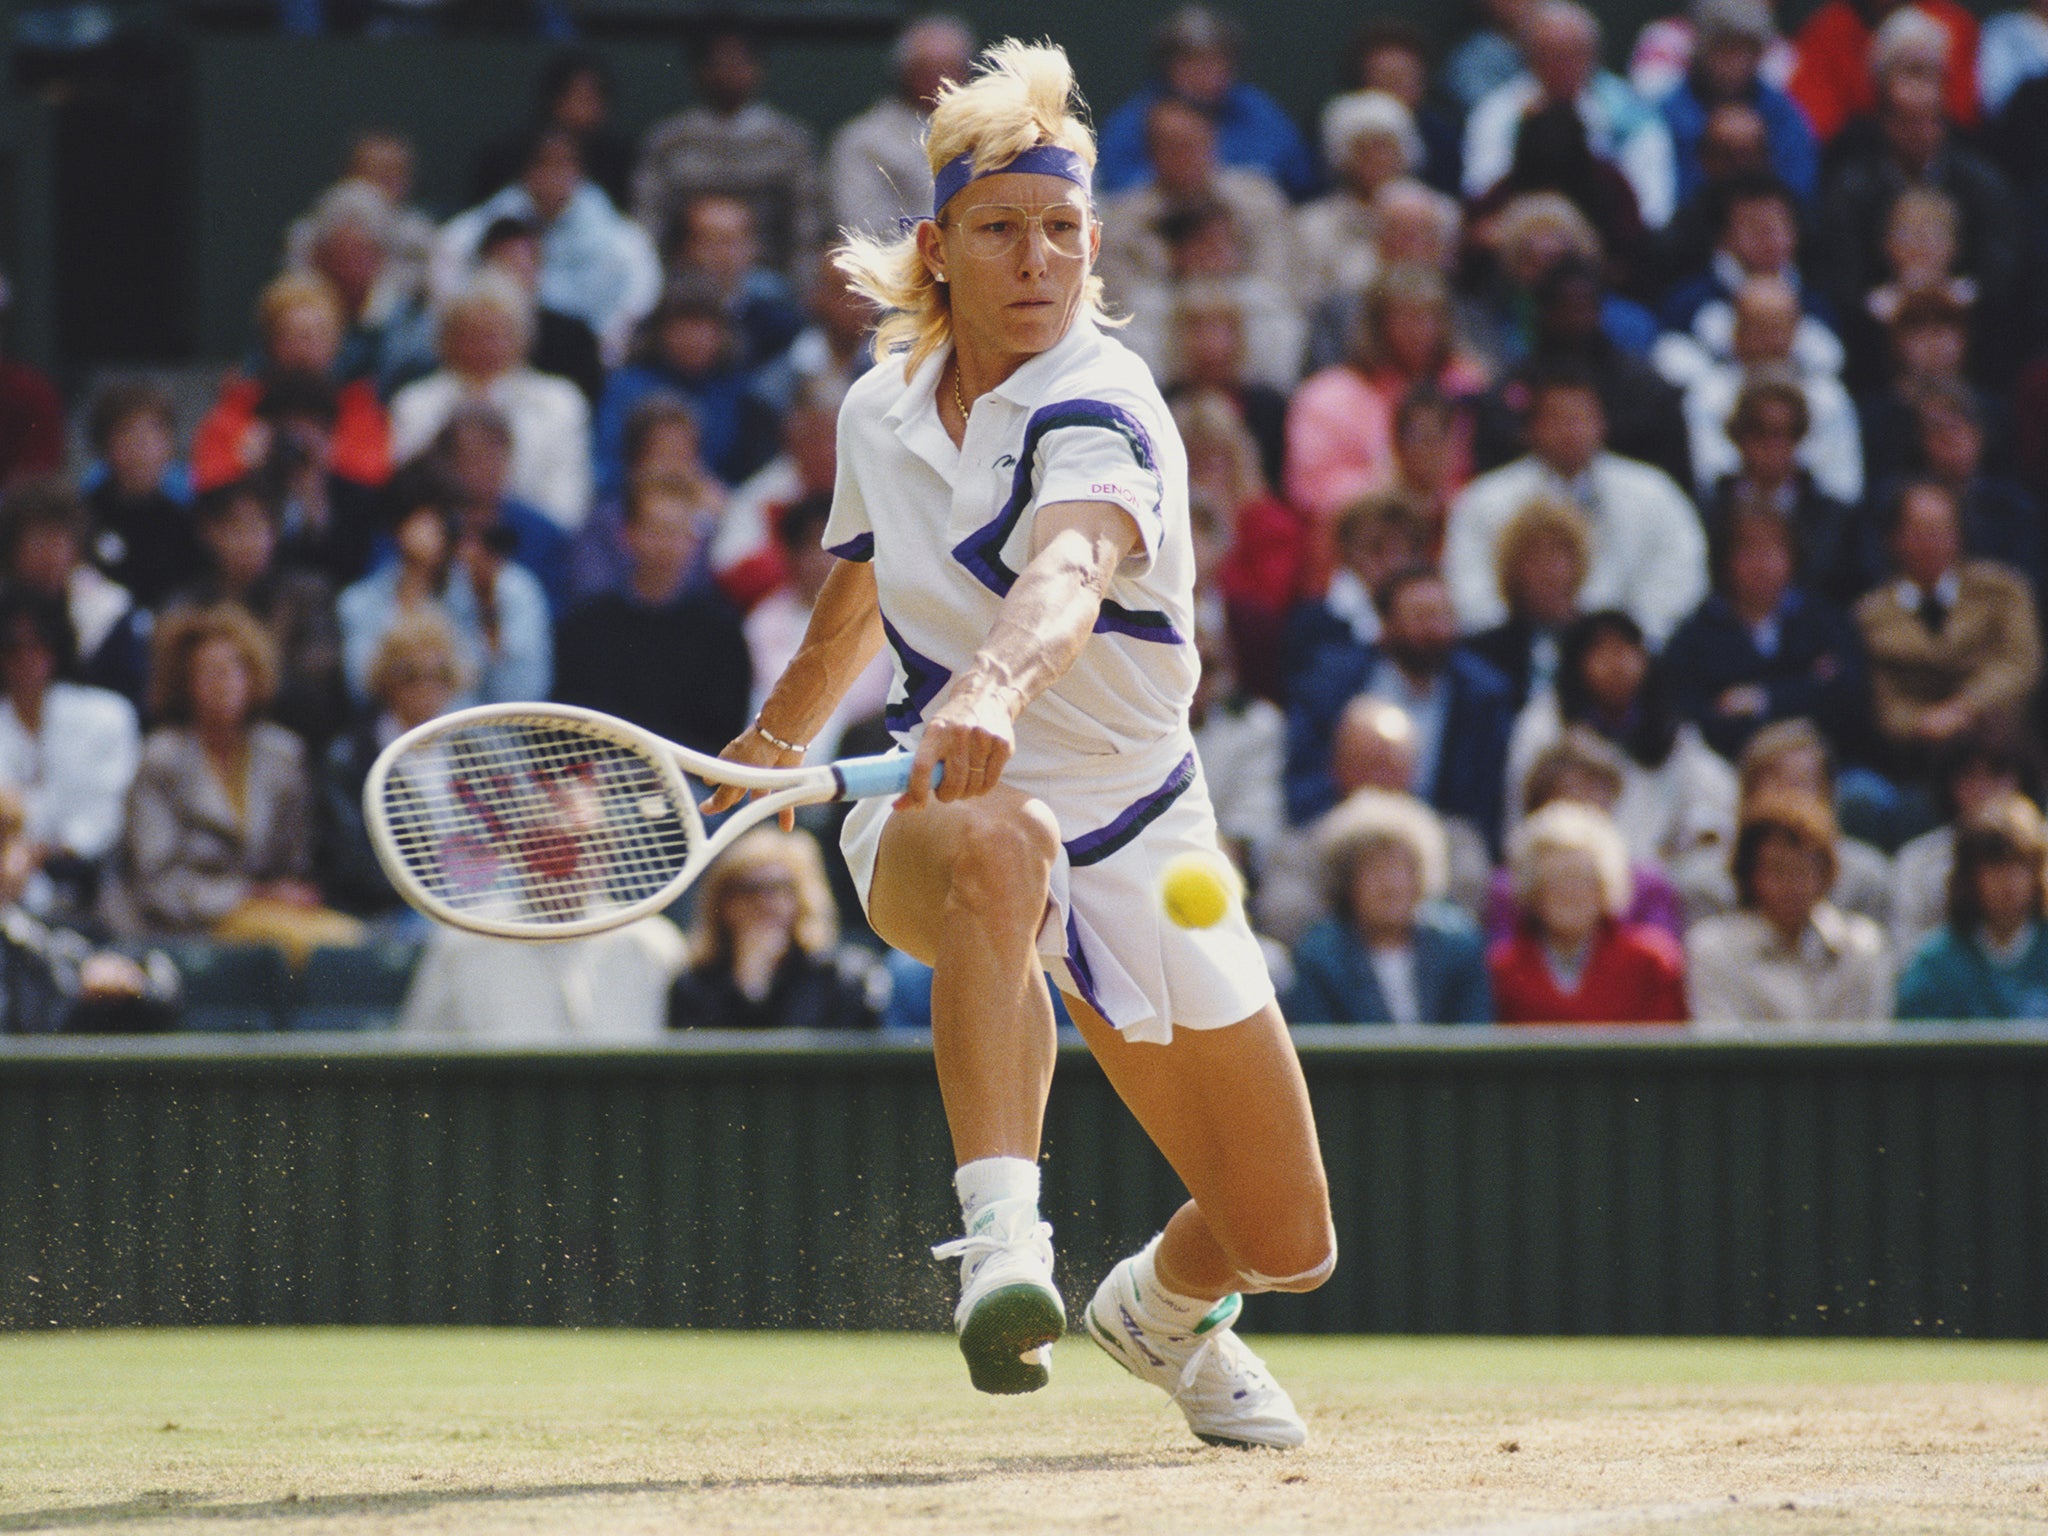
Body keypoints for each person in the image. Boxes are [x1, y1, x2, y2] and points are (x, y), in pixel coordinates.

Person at [714, 41, 1332, 1445]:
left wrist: (993, 685)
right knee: (1009, 840)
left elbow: (1065, 573)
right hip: (943, 821)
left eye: (1062, 231)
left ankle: (1159, 1316)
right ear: (940, 249)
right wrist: (761, 753)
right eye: (1002, 231)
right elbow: (853, 606)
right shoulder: (878, 410)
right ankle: (1004, 1246)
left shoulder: (1110, 403)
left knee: (1286, 1240)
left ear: (1094, 242)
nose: (1037, 261)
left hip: (1147, 828)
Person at [109, 605, 363, 964]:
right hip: (185, 921)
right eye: (210, 672)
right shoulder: (160, 758)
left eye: (235, 669)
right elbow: (156, 882)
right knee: (323, 946)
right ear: (185, 683)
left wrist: (282, 894)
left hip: (269, 915)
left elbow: (294, 861)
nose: (224, 682)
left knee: (352, 942)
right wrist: (251, 895)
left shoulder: (282, 753)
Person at [1445, 363, 1707, 645]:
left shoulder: (1654, 491)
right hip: (1514, 656)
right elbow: (1470, 589)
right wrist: (1515, 642)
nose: (1570, 431)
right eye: (1557, 419)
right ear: (1531, 428)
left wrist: (1629, 640)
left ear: (1602, 423)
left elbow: (1679, 572)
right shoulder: (1484, 499)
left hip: (1629, 656)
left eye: (1580, 418)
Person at [1284, 564, 1517, 846]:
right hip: (1340, 820)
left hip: (1438, 832)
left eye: (1444, 616)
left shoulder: (1483, 695)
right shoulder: (1331, 682)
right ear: (1386, 623)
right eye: (1420, 616)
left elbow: (1482, 800)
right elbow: (1304, 773)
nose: (1435, 629)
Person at [1505, 609, 1740, 875]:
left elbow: (1712, 799)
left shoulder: (1667, 725)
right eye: (1602, 652)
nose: (1617, 664)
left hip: (1653, 871)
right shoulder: (1545, 721)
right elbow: (1519, 807)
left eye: (1626, 650)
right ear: (1577, 661)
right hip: (1564, 869)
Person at [553, 472, 751, 755]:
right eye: (655, 530)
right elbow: (570, 721)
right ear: (628, 535)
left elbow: (724, 735)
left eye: (677, 532)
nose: (666, 546)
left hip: (687, 780)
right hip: (602, 778)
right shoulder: (585, 624)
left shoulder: (722, 632)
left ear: (694, 541)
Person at [1854, 478, 2041, 776]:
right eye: (1918, 532)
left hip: (2007, 753)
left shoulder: (2003, 590)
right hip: (1914, 762)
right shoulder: (1869, 615)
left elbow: (2020, 663)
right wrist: (1922, 723)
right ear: (1894, 539)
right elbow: (1880, 699)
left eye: (1941, 531)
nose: (1930, 543)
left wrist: (1964, 708)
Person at [1662, 494, 1865, 761]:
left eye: (1772, 551)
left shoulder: (1824, 621)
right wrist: (1808, 685)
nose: (1761, 564)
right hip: (1727, 767)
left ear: (1793, 557)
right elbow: (1691, 713)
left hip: (1822, 762)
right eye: (1748, 551)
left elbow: (1848, 698)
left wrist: (1762, 699)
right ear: (1725, 561)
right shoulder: (1696, 634)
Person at [1283, 265, 1486, 529]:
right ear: (1377, 324)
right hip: (1364, 531)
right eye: (1407, 317)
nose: (1420, 329)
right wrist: (1405, 489)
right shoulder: (1327, 395)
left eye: (1431, 316)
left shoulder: (1470, 385)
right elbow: (1311, 490)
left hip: (1458, 524)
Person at [388, 273, 592, 532]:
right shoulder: (414, 403)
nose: (484, 346)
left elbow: (566, 502)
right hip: (439, 537)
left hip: (534, 540)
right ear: (447, 340)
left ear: (521, 338)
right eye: (472, 334)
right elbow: (410, 495)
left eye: (496, 334)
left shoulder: (560, 403)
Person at [338, 470, 552, 709]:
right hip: (395, 739)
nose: (443, 530)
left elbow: (521, 694)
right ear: (399, 523)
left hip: (478, 739)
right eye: (430, 515)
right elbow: (361, 691)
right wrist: (414, 586)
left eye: (449, 519)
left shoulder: (511, 589)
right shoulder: (360, 601)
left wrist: (487, 605)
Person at [164, 479, 348, 750]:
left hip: (293, 735)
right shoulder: (188, 604)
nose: (249, 540)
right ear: (210, 533)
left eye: (258, 527)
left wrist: (241, 689)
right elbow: (170, 691)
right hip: (202, 741)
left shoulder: (308, 594)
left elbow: (318, 684)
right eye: (235, 528)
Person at [1462, 0, 1679, 229]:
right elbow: (1481, 192)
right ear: (1529, 56)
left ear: (1594, 55)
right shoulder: (1496, 113)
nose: (1561, 65)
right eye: (1548, 54)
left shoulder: (1633, 115)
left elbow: (1653, 209)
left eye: (1572, 53)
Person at [1284, 790, 1491, 1025]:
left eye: (1400, 868)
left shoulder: (1458, 947)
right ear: (1347, 880)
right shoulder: (1320, 956)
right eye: (1374, 869)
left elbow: (1473, 1032)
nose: (1389, 884)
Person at [1685, 789, 1893, 1024]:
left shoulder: (1863, 948)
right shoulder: (1712, 949)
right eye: (1777, 869)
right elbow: (1723, 1048)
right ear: (1750, 875)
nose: (1791, 884)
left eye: (1803, 869)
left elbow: (1868, 1047)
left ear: (1826, 873)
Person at [632, 25, 821, 278]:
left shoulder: (790, 141)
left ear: (758, 69)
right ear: (697, 71)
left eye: (740, 61)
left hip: (769, 278)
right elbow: (648, 225)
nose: (730, 71)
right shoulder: (667, 141)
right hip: (684, 279)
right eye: (718, 62)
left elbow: (806, 230)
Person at [319, 610, 466, 918]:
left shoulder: (475, 751)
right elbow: (354, 862)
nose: (426, 686)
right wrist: (435, 895)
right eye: (410, 674)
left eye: (439, 674)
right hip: (386, 911)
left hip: (470, 902)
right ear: (387, 680)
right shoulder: (349, 758)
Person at [1662, 284, 1864, 508]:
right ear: (1736, 332)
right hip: (1730, 516)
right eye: (1759, 328)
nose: (1770, 341)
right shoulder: (1708, 394)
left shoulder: (1829, 396)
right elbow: (1708, 477)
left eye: (1779, 329)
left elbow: (1844, 486)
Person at [1481, 726, 1689, 944]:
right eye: (1568, 795)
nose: (1581, 810)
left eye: (1594, 795)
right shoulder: (1509, 889)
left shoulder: (1649, 886)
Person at [1489, 799, 1689, 1023]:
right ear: (1533, 889)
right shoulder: (1503, 969)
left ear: (1605, 886)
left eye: (1582, 880)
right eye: (1555, 880)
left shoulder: (1652, 960)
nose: (1570, 893)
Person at [668, 827, 887, 1032]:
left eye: (779, 887)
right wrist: (748, 987)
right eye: (749, 889)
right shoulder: (694, 984)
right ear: (722, 901)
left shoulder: (844, 977)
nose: (765, 903)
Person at [0, 783, 176, 1035]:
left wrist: (127, 980)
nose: (22, 856)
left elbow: (162, 985)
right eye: (6, 843)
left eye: (14, 840)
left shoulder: (30, 940)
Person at [191, 273, 389, 494]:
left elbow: (373, 477)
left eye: (315, 336)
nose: (302, 348)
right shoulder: (239, 404)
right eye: (290, 336)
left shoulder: (358, 406)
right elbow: (207, 480)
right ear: (269, 344)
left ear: (336, 345)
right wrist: (246, 458)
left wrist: (324, 453)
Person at [1092, 7, 1317, 200]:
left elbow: (1300, 179)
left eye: (1216, 60)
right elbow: (1118, 187)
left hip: (1247, 225)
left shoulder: (1257, 111)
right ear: (1166, 66)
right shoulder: (1136, 119)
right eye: (1191, 61)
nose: (1206, 72)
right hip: (1164, 225)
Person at [0, 589, 140, 892]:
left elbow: (108, 817)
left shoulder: (106, 715)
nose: (26, 658)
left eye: (38, 644)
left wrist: (40, 853)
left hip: (95, 884)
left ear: (56, 647)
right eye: (12, 647)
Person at [593, 278, 780, 495]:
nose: (695, 339)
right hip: (635, 504)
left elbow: (754, 479)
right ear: (661, 331)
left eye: (705, 327)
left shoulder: (741, 393)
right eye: (683, 326)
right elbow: (604, 469)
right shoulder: (626, 387)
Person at [1094, 98, 1291, 301]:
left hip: (1253, 321)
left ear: (1212, 140)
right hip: (1157, 324)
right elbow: (1123, 307)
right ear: (1150, 151)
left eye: (1191, 143)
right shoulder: (1121, 224)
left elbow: (1279, 287)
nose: (1182, 155)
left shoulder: (1259, 199)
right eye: (1170, 145)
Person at [743, 493, 890, 763]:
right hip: (772, 765)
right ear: (791, 554)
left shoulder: (884, 615)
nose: (826, 562)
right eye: (815, 549)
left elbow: (862, 700)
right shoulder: (762, 621)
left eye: (837, 550)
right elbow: (778, 698)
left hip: (859, 760)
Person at [1697, 376, 1863, 606]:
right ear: (1737, 435)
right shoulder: (1706, 515)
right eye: (1759, 432)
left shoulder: (1835, 518)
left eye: (1786, 433)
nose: (1772, 446)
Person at [1896, 793, 2048, 1018]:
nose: (2009, 881)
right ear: (1969, 877)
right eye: (1995, 866)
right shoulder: (1935, 964)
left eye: (2021, 865)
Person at [0, 479, 150, 707]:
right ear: (13, 548)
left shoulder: (106, 609)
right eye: (39, 541)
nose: (51, 555)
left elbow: (126, 699)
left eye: (60, 540)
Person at [1658, 0, 1819, 209]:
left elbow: (1799, 190)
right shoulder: (1671, 114)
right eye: (1726, 48)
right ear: (1703, 49)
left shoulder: (1782, 114)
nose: (1736, 62)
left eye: (1747, 50)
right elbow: (1669, 196)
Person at [830, 14, 977, 237]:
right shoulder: (863, 140)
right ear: (905, 72)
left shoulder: (994, 131)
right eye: (927, 68)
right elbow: (864, 228)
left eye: (951, 67)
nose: (941, 78)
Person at [1892, 730, 2037, 954]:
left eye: (1996, 774)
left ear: (2020, 779)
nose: (1983, 789)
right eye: (1969, 777)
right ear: (1949, 786)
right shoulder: (1916, 862)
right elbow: (1907, 954)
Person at [1290, 91, 1424, 315]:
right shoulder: (1311, 224)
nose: (1377, 158)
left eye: (1385, 146)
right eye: (1364, 148)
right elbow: (1307, 301)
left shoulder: (1436, 213)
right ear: (1342, 155)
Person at [1789, 0, 1982, 144]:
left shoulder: (1953, 24)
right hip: (1860, 158)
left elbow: (1963, 116)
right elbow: (1816, 126)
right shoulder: (1825, 31)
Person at [82, 382, 203, 608]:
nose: (141, 443)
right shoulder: (84, 517)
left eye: (154, 430)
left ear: (170, 444)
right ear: (104, 444)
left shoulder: (186, 521)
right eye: (127, 430)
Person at [1465, 493, 1590, 712]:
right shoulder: (1481, 653)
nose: (1547, 570)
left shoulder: (1597, 642)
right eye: (1534, 557)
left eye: (1557, 554)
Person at [472, 51, 637, 210]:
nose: (582, 109)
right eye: (576, 96)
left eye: (591, 98)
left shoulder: (618, 164)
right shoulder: (505, 159)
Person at [666, 194, 807, 371]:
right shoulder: (662, 320)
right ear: (684, 250)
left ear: (753, 247)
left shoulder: (778, 323)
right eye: (709, 242)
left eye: (731, 242)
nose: (721, 254)